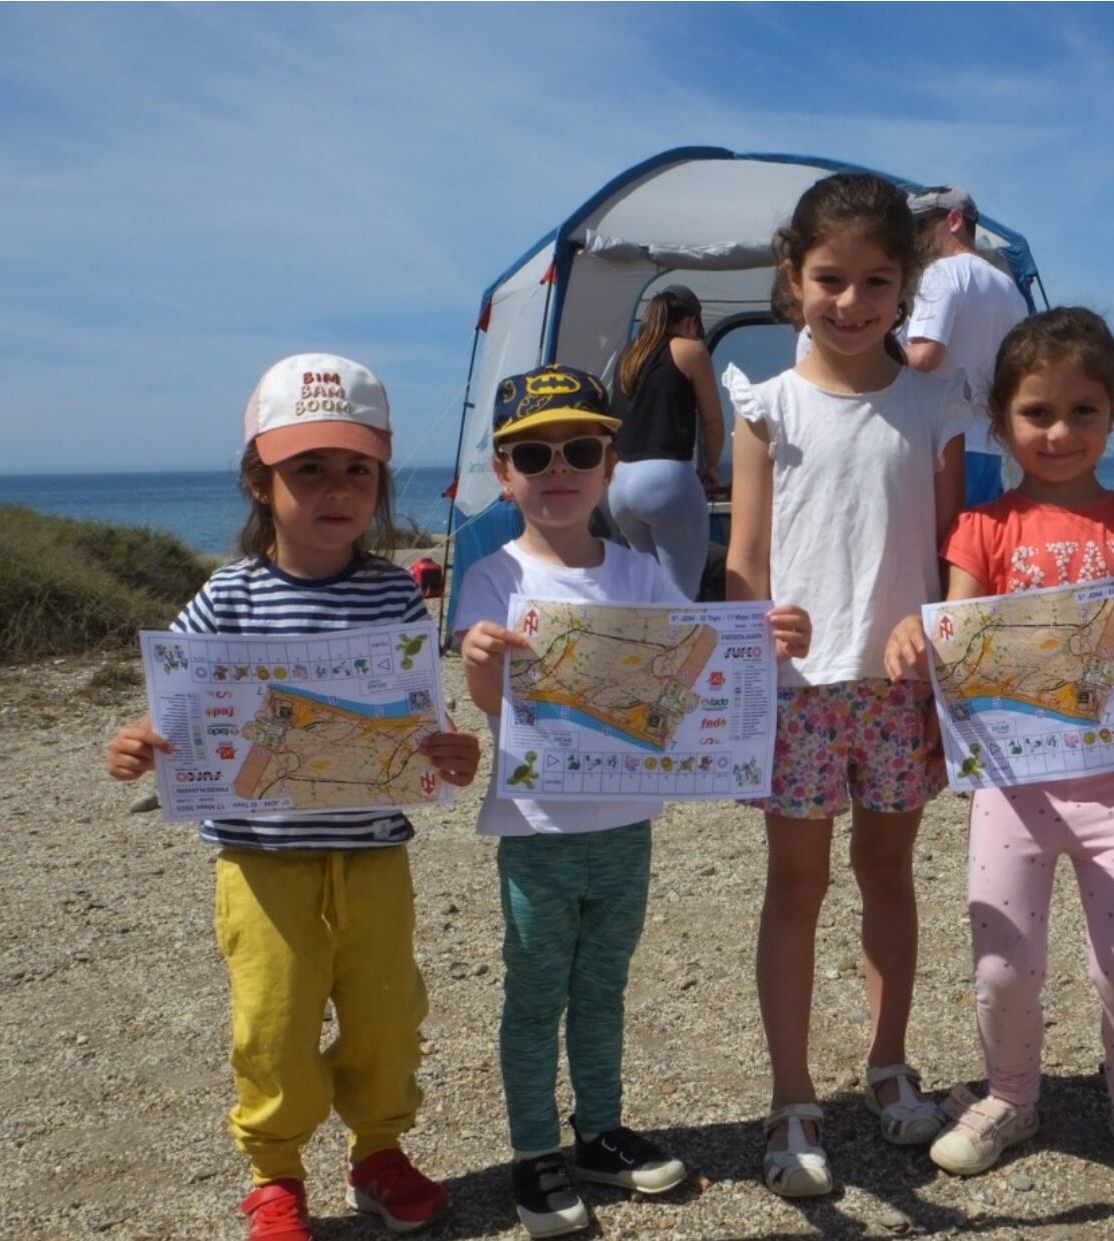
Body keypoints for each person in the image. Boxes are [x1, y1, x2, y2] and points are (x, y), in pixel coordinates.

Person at [106, 354, 481, 1241]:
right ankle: (275, 1172)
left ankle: (379, 1151)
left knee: (388, 1015)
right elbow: (177, 705)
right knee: (272, 1024)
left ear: (380, 482)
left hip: (375, 851)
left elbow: (421, 717)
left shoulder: (395, 589)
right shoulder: (229, 593)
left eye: (357, 468)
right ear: (257, 479)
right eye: (306, 468)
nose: (335, 489)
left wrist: (452, 751)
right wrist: (136, 741)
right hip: (260, 859)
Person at [883, 308, 1114, 1189]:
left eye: (1084, 411)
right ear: (1001, 416)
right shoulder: (982, 529)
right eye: (1038, 412)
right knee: (1004, 960)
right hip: (1010, 789)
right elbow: (957, 632)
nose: (1060, 432)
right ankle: (1012, 1092)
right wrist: (913, 635)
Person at [455, 364, 811, 1236]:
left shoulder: (639, 572)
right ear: (503, 474)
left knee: (605, 983)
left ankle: (600, 1131)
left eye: (580, 448)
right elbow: (499, 709)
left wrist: (764, 637)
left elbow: (694, 671)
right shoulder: (494, 579)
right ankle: (534, 1149)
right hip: (538, 830)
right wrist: (477, 662)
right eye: (532, 454)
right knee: (536, 993)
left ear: (610, 463)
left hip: (626, 825)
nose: (557, 468)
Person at [724, 171, 972, 1198]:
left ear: (905, 284)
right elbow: (742, 558)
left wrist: (936, 615)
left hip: (896, 689)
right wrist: (754, 620)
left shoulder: (933, 400)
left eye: (876, 279)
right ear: (792, 278)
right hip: (797, 692)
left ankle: (887, 1061)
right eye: (829, 277)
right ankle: (791, 1094)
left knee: (886, 876)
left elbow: (953, 541)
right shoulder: (765, 407)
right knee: (794, 887)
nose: (851, 299)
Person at [903, 185, 1028, 508]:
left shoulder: (942, 273)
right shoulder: (1009, 287)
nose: (915, 239)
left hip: (943, 445)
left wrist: (870, 352)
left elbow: (925, 356)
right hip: (991, 447)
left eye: (921, 226)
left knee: (937, 552)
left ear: (954, 220)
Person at [608, 285, 726, 599]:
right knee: (681, 595)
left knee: (648, 591)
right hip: (666, 478)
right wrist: (711, 465)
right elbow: (713, 423)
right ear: (690, 322)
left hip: (621, 484)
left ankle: (644, 649)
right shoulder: (690, 350)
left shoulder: (628, 355)